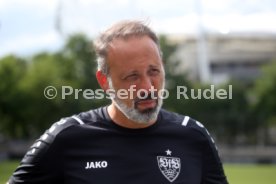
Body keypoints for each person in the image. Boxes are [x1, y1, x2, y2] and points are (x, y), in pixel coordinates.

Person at [8, 20, 228, 184]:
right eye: (132, 77)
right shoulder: (66, 138)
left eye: (154, 71)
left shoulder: (193, 136)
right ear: (105, 81)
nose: (148, 88)